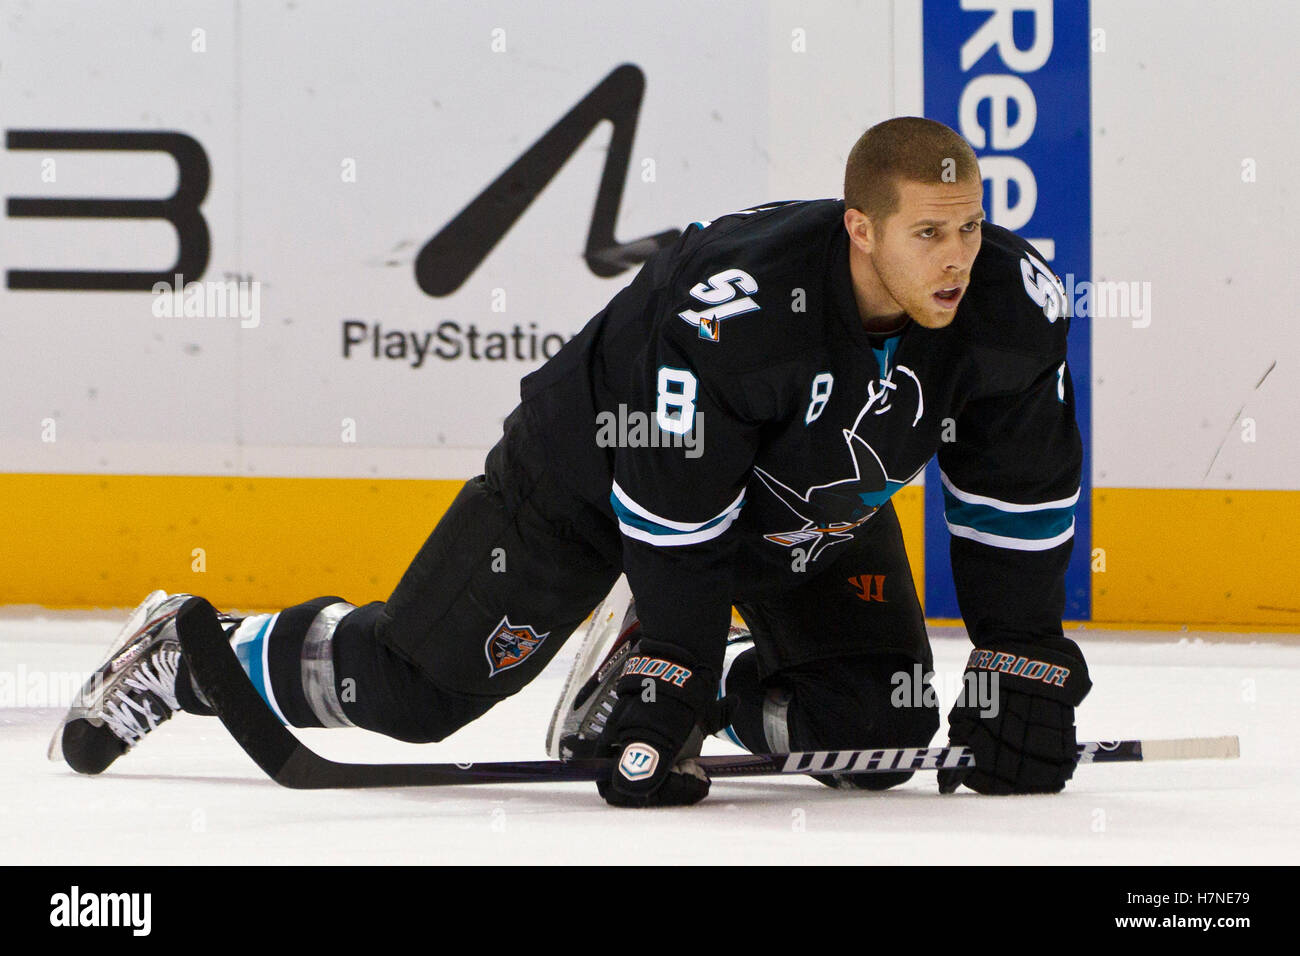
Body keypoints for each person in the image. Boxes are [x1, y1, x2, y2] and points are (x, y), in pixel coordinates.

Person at [52, 116, 1090, 806]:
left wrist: (1018, 658)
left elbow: (1015, 502)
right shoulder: (734, 311)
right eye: (926, 233)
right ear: (861, 229)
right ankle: (192, 656)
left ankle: (633, 669)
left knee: (883, 725)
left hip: (802, 513)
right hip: (590, 483)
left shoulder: (1007, 309)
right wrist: (675, 663)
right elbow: (676, 518)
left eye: (968, 227)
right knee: (414, 692)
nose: (957, 257)